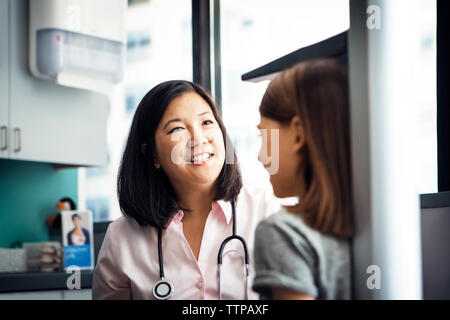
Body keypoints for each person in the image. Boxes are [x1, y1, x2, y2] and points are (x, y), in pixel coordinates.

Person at [92, 80, 279, 300]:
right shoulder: (121, 238)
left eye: (207, 122)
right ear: (152, 154)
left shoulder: (267, 213)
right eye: (177, 128)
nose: (198, 139)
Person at [252, 58, 353, 300]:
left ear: (298, 134)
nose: (261, 156)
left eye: (265, 135)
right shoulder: (376, 222)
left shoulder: (284, 233)